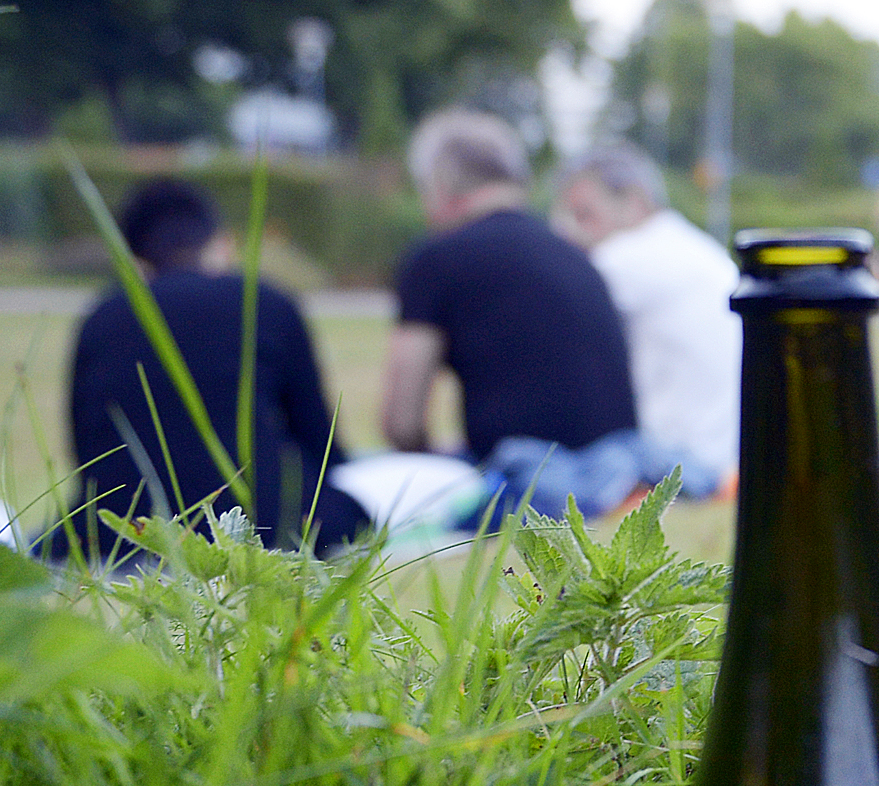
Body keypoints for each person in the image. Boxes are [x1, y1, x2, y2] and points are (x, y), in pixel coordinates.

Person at [63, 176, 366, 559]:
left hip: (121, 532)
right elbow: (321, 446)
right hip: (266, 524)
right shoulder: (266, 303)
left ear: (133, 258)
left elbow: (85, 453)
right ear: (217, 242)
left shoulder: (103, 316)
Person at [385, 110, 638, 459]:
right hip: (618, 468)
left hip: (524, 480)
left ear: (440, 184)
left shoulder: (436, 260)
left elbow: (402, 423)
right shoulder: (577, 256)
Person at [552, 142, 740, 483]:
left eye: (584, 215)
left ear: (634, 202)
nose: (569, 231)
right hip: (723, 453)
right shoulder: (690, 248)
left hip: (680, 461)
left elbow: (546, 314)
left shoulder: (630, 256)